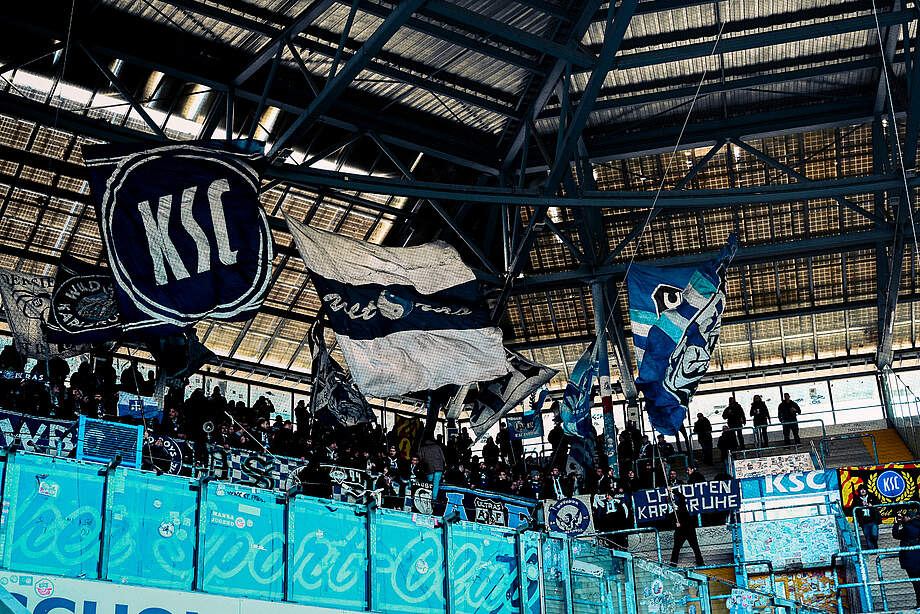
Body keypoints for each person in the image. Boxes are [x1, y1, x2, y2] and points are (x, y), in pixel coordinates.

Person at [669, 488, 704, 567]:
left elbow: (682, 497)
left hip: (689, 529)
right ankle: (673, 564)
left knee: (695, 546)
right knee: (676, 548)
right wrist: (675, 525)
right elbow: (669, 522)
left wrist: (672, 490)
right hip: (679, 531)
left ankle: (700, 562)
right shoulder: (670, 511)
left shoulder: (681, 505)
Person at [893, 508, 920, 607]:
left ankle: (919, 603)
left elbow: (896, 535)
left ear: (908, 517)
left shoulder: (908, 527)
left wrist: (896, 524)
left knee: (916, 583)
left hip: (911, 559)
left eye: (904, 517)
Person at [855, 485, 882, 550]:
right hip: (864, 521)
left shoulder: (871, 496)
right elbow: (853, 508)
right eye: (861, 489)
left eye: (864, 489)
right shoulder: (856, 499)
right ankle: (872, 550)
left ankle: (875, 545)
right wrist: (861, 504)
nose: (863, 491)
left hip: (873, 519)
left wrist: (872, 504)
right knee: (867, 537)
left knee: (874, 535)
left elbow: (879, 502)